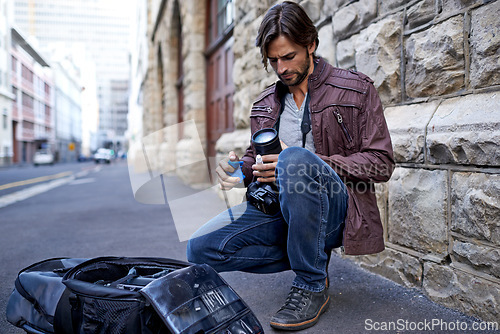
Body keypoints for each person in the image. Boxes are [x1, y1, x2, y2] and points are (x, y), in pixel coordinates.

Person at [187, 1, 394, 331]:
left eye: (289, 56)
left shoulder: (356, 90)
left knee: (295, 159)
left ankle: (311, 283)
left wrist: (296, 160)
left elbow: (381, 164)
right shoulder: (265, 104)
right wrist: (238, 171)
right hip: (277, 208)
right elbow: (254, 159)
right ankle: (307, 255)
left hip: (334, 208)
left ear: (311, 44)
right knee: (199, 249)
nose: (281, 68)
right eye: (273, 60)